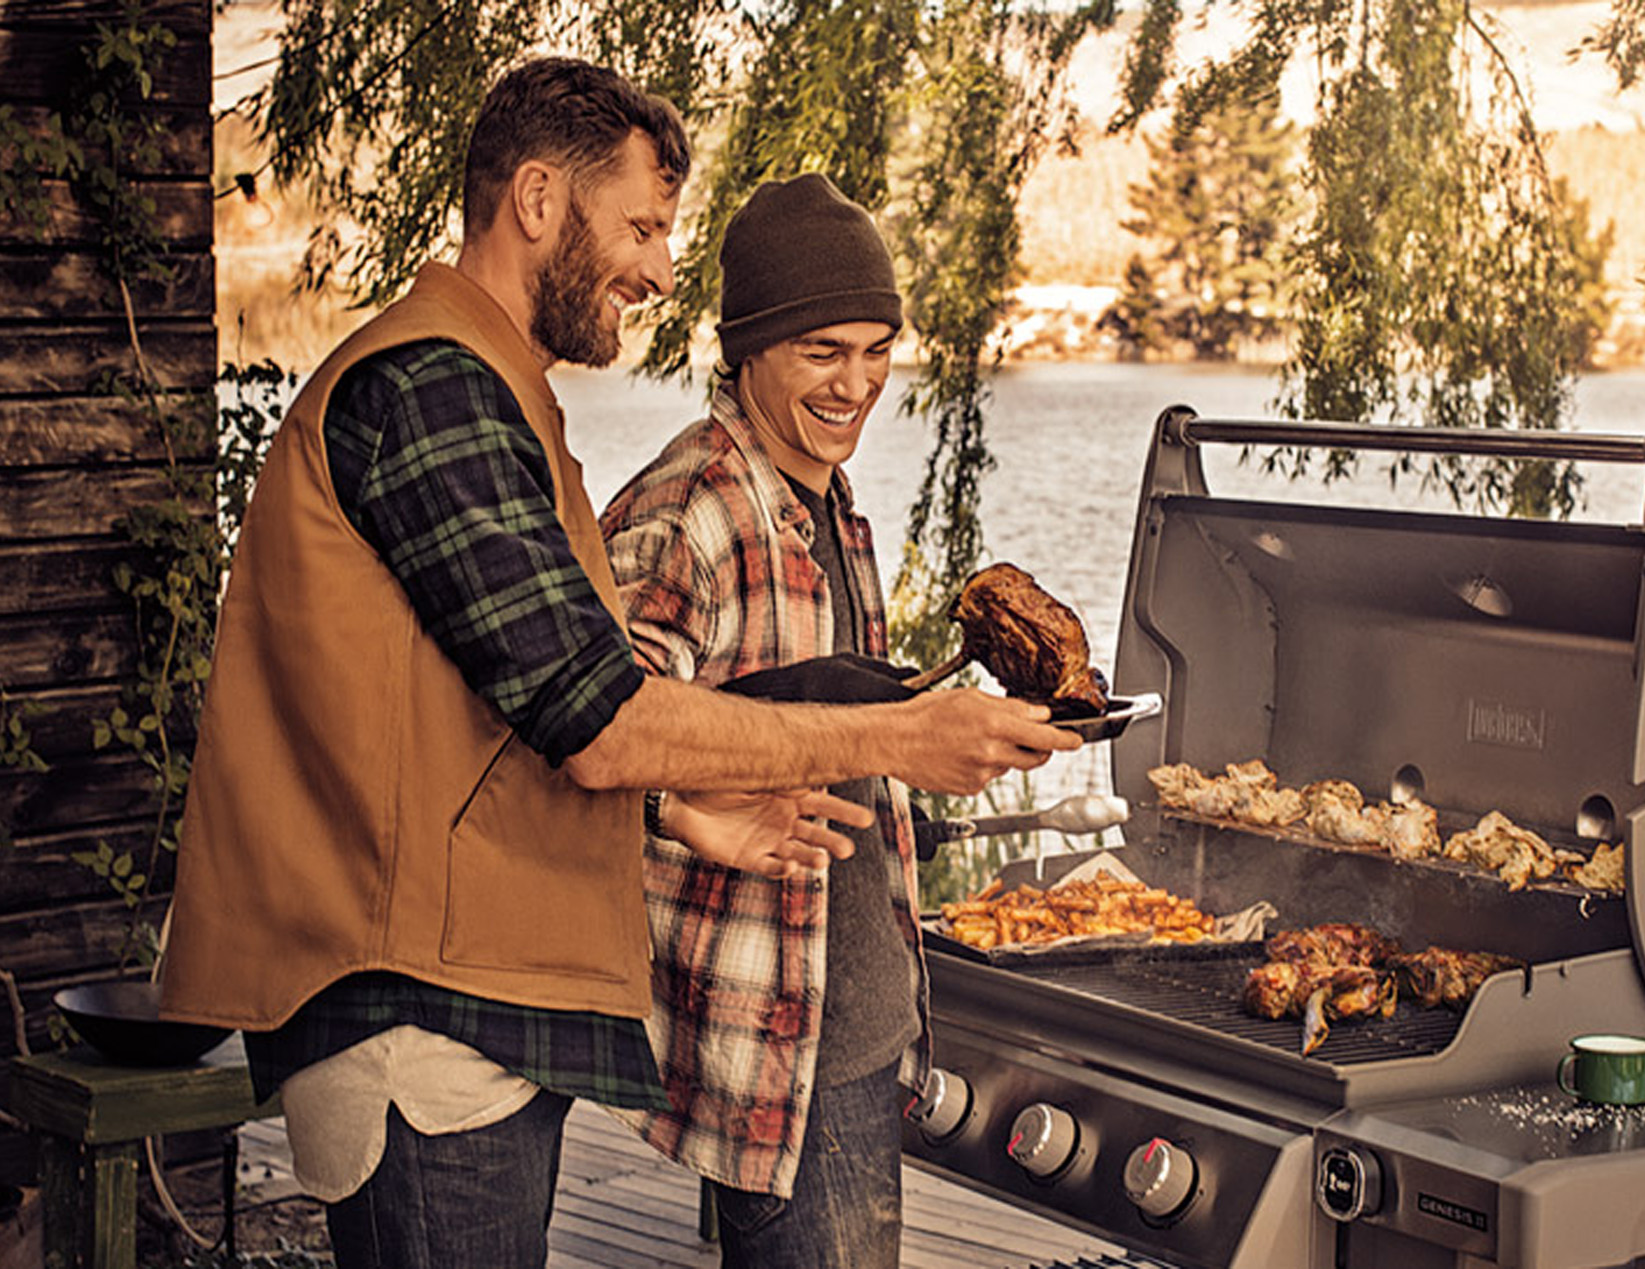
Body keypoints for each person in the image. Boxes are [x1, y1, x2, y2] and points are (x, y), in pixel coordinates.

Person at [157, 62, 1076, 1269]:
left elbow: (506, 709)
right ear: (538, 198)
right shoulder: (431, 389)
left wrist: (679, 808)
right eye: (640, 226)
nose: (654, 270)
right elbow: (600, 715)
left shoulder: (487, 393)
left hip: (467, 1020)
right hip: (420, 1022)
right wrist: (899, 738)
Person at [596, 173, 977, 1267]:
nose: (856, 382)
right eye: (822, 351)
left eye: (875, 348)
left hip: (854, 1025)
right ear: (748, 349)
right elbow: (590, 732)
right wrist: (676, 807)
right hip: (779, 1049)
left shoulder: (828, 504)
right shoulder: (691, 511)